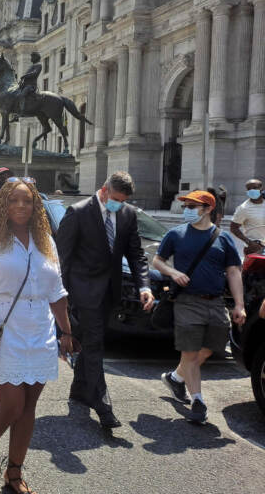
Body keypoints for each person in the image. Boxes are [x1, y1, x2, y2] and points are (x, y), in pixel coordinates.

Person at [0, 178, 73, 493]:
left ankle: (14, 472)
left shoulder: (46, 242)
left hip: (40, 332)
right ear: (3, 204)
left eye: (28, 201)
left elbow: (57, 291)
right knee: (11, 404)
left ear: (36, 205)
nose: (21, 206)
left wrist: (66, 331)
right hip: (4, 330)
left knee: (28, 408)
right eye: (14, 200)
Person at [55, 171, 153, 428]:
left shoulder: (128, 214)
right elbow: (62, 259)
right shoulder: (78, 212)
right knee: (96, 343)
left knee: (90, 342)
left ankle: (79, 390)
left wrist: (144, 286)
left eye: (123, 200)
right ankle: (103, 404)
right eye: (116, 198)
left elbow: (136, 254)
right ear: (104, 190)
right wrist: (61, 299)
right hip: (82, 291)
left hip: (110, 292)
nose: (118, 204)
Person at [152, 190, 246, 423]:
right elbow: (157, 261)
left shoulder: (222, 238)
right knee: (191, 352)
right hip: (187, 301)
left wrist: (240, 305)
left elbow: (234, 271)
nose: (187, 210)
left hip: (215, 302)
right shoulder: (175, 234)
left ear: (207, 209)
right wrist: (173, 272)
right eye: (186, 206)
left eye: (192, 206)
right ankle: (198, 402)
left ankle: (175, 378)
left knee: (211, 348)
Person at [230, 179, 265, 255]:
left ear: (261, 189)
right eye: (249, 189)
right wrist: (249, 242)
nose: (252, 190)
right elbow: (233, 228)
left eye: (255, 188)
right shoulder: (243, 208)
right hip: (255, 248)